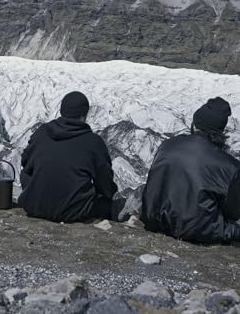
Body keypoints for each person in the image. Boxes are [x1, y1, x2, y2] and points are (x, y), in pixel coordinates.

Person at [141, 97, 240, 244]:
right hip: (200, 230)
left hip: (156, 221)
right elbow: (233, 212)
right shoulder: (230, 166)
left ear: (194, 124)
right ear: (220, 131)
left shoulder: (167, 145)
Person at [18, 91, 118, 223]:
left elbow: (25, 162)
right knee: (106, 204)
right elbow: (105, 183)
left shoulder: (42, 132)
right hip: (74, 213)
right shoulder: (93, 142)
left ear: (62, 111)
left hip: (34, 206)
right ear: (84, 114)